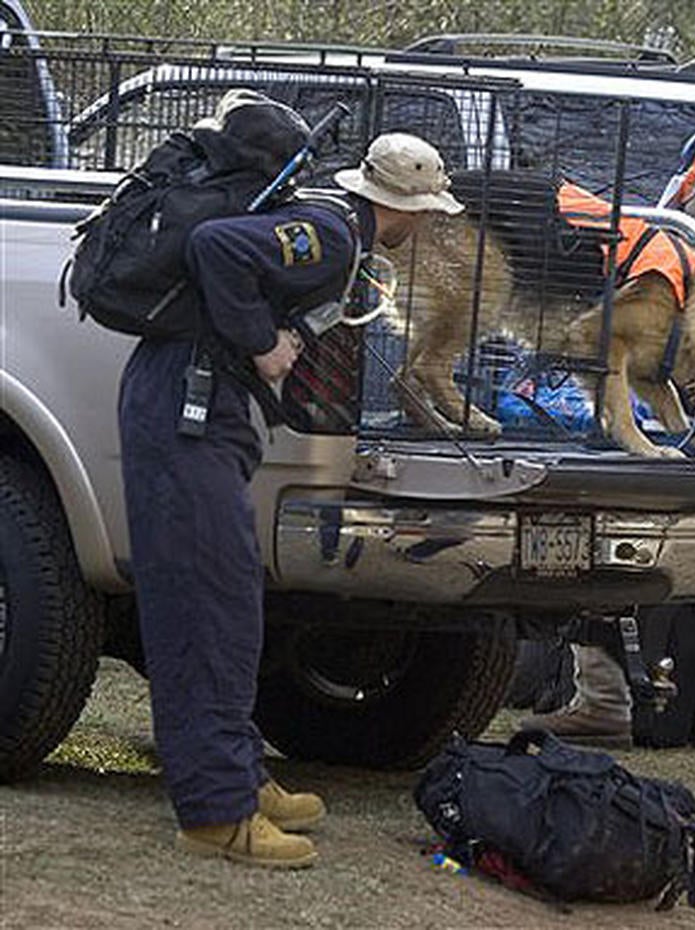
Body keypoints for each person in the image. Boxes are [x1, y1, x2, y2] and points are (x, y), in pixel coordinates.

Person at [119, 110, 464, 869]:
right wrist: (262, 342)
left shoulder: (331, 225)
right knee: (206, 613)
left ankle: (237, 772)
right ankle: (215, 813)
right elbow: (216, 248)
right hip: (186, 408)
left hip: (200, 407)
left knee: (230, 602)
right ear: (402, 209)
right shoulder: (335, 235)